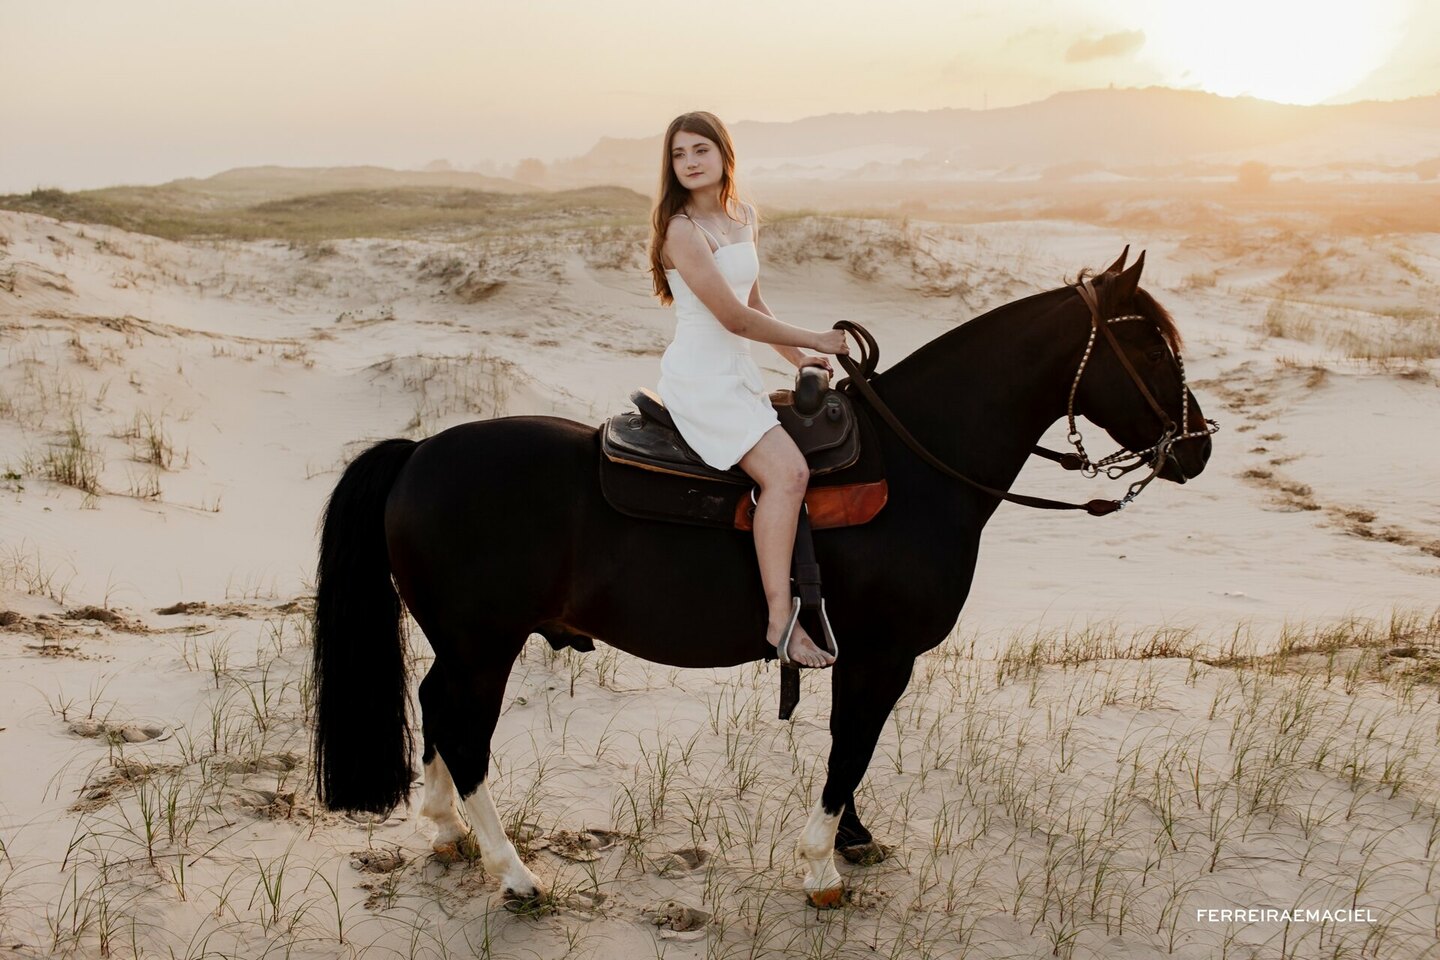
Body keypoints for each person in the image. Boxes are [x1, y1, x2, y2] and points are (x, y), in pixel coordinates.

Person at [648, 111, 847, 669]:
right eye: (679, 154)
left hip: (738, 375)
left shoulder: (743, 216)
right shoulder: (681, 231)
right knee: (789, 473)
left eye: (699, 151)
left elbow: (755, 304)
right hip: (701, 378)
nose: (688, 163)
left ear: (723, 155)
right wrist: (818, 338)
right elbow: (733, 319)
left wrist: (798, 357)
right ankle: (780, 621)